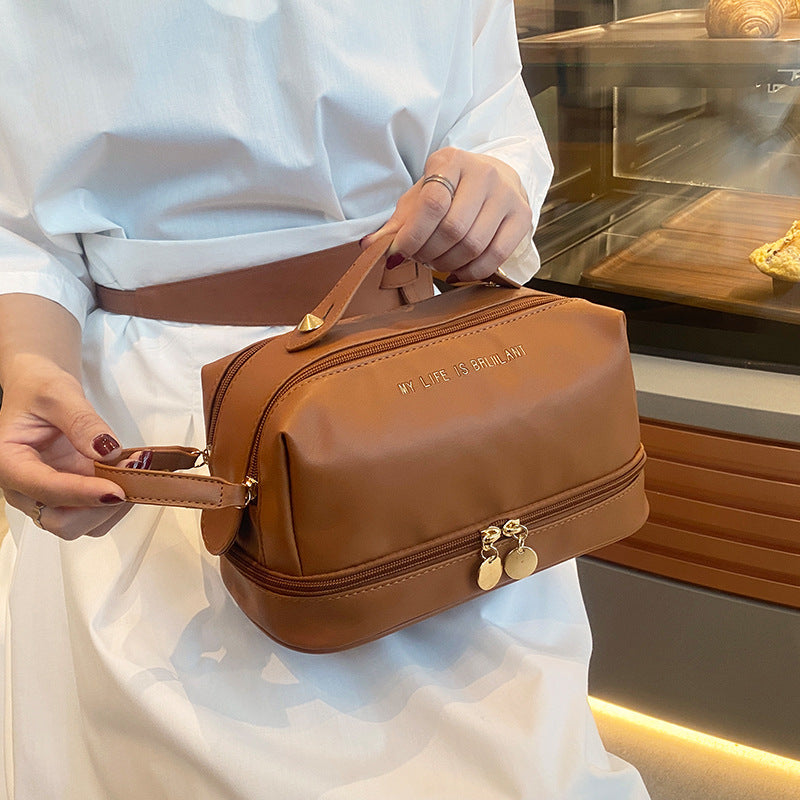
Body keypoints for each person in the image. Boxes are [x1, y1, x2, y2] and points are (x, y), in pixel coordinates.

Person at [0, 2, 651, 798]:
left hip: (424, 400)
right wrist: (31, 365)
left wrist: (494, 184)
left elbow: (489, 111)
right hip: (164, 424)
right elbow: (23, 234)